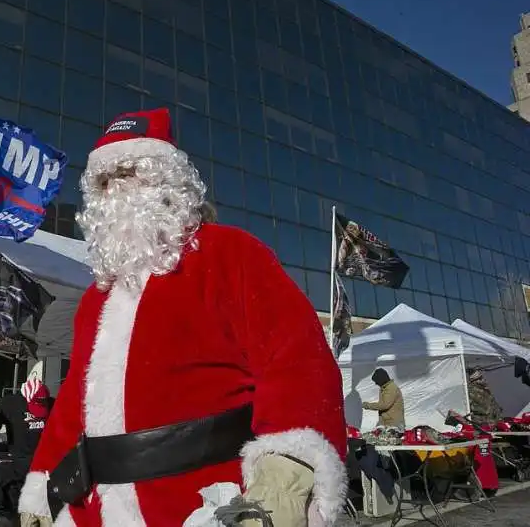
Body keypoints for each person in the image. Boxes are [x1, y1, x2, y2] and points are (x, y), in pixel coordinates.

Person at [18, 108, 347, 527]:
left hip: (203, 506)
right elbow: (72, 405)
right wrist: (42, 490)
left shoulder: (230, 254)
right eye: (104, 181)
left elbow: (298, 361)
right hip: (94, 513)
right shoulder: (96, 300)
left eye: (131, 172)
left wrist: (285, 474)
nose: (117, 189)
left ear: (168, 181)